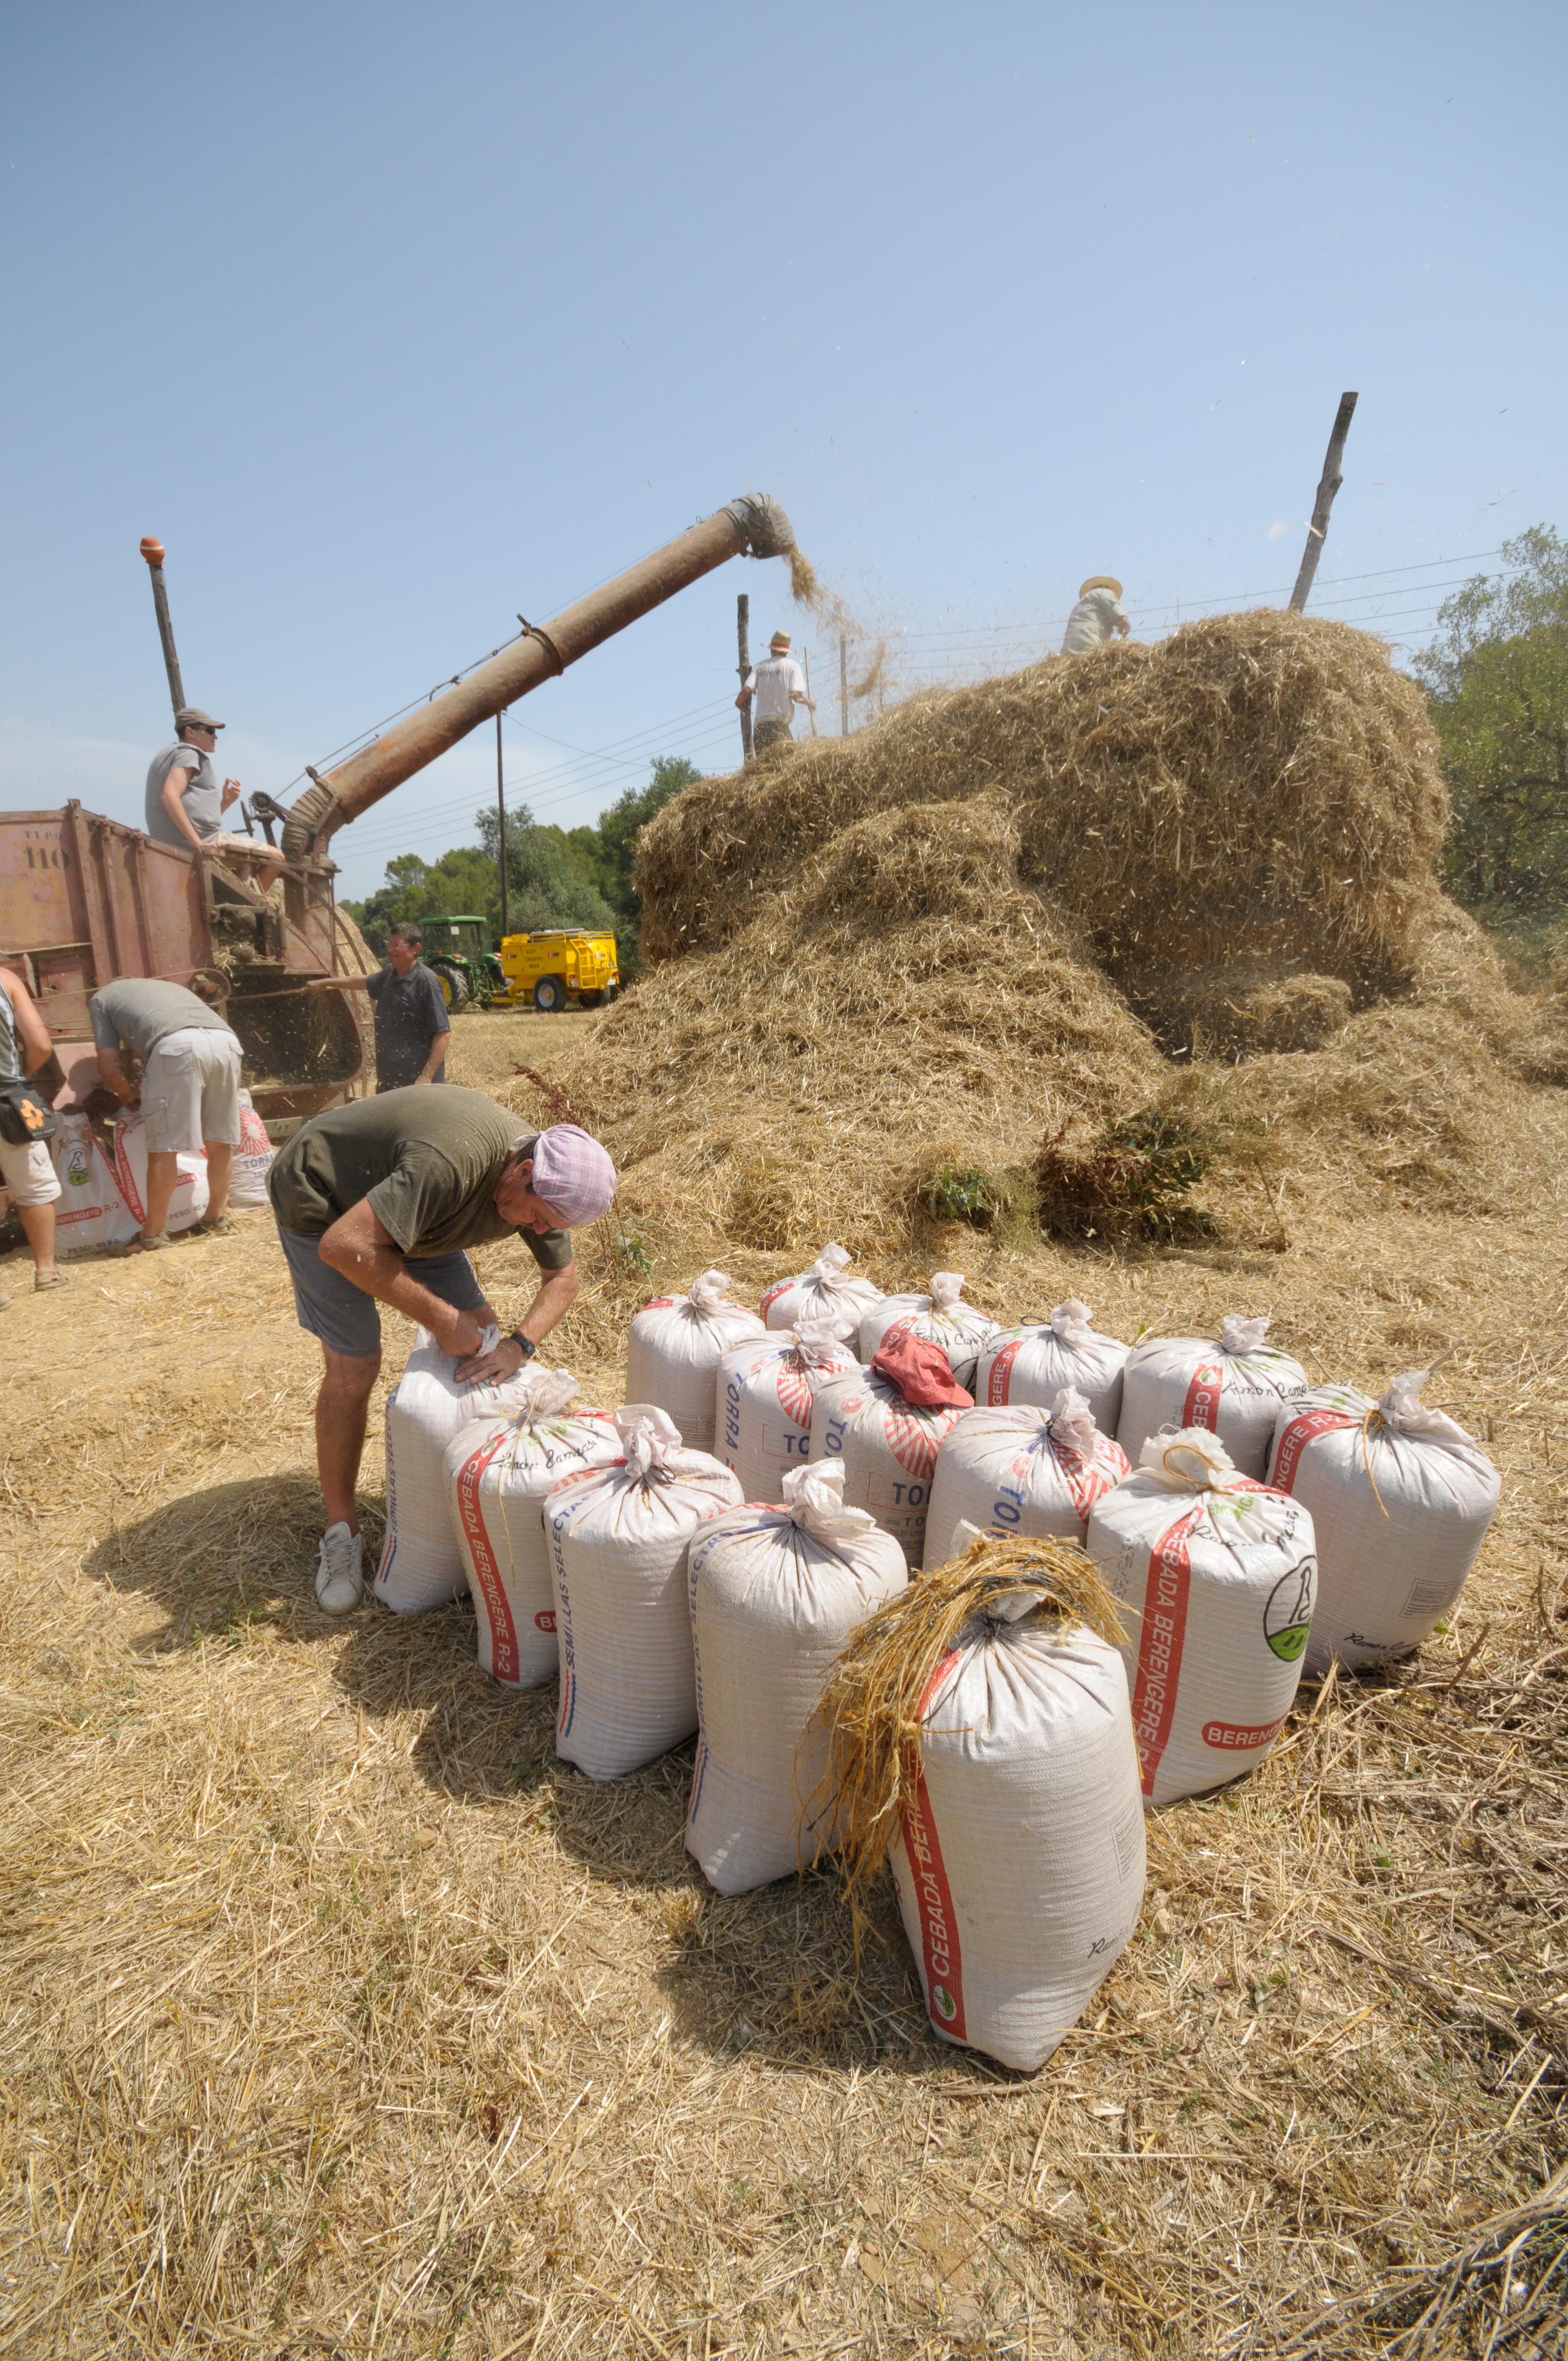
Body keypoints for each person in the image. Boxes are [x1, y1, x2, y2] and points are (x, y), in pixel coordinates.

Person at [266, 1094, 617, 1612]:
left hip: (421, 1214)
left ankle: (461, 1499)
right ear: (522, 1173)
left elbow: (562, 1277)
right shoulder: (450, 1165)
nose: (541, 1231)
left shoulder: (551, 1179)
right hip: (324, 1198)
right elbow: (344, 1245)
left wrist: (518, 1347)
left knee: (485, 1341)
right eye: (539, 1218)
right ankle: (340, 1530)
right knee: (356, 1366)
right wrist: (442, 1320)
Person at [90, 977, 244, 1248]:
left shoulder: (102, 998)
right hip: (227, 1043)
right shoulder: (170, 987)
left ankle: (152, 1235)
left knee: (164, 1149)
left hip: (178, 1048)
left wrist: (127, 1094)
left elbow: (108, 1068)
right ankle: (215, 1219)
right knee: (220, 1141)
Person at [144, 706, 286, 874]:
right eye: (210, 731)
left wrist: (225, 803)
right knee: (277, 858)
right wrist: (199, 845)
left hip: (169, 841)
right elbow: (169, 796)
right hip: (198, 842)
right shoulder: (189, 753)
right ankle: (244, 893)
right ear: (190, 732)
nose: (215, 737)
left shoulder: (164, 755)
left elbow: (196, 817)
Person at [312, 921, 451, 1090]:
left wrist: (426, 1077)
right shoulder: (389, 974)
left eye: (397, 945)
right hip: (390, 1079)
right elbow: (363, 982)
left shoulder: (427, 982)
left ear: (415, 949)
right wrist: (326, 983)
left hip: (418, 1083)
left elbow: (443, 1034)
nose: (391, 950)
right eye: (389, 944)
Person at [0, 961, 67, 1308]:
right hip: (8, 1101)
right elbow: (41, 1045)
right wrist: (18, 1080)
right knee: (34, 1188)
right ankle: (46, 1272)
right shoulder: (5, 979)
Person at [736, 630, 815, 752]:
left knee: (763, 762)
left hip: (760, 730)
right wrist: (809, 703)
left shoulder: (759, 667)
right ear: (786, 651)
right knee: (788, 761)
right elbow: (796, 695)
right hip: (779, 727)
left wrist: (738, 703)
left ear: (772, 649)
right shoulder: (792, 666)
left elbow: (747, 690)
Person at [1060, 577, 1132, 656]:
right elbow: (1124, 621)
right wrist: (1124, 637)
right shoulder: (1105, 592)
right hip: (1088, 643)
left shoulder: (1084, 603)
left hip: (1067, 651)